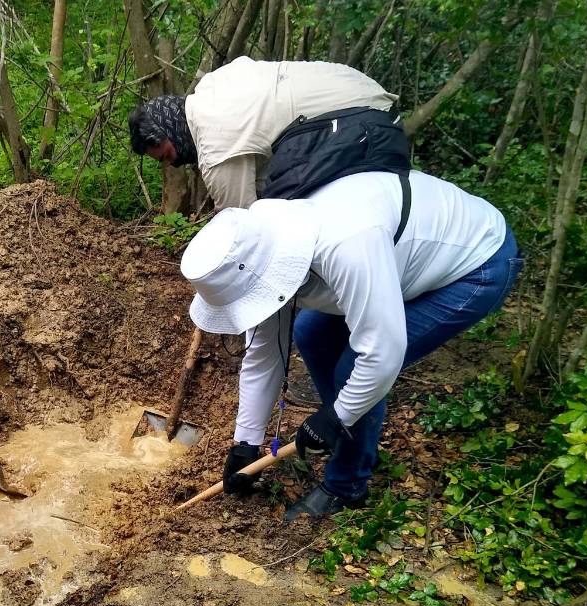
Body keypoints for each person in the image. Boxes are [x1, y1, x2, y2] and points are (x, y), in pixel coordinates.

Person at [180, 169, 523, 519]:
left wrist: (337, 416)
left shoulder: (346, 246)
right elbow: (265, 356)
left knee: (353, 369)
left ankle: (345, 487)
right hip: (396, 262)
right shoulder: (261, 253)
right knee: (311, 334)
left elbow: (381, 354)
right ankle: (353, 437)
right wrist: (246, 443)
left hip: (476, 264)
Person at [129, 57, 397, 211]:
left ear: (170, 131)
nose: (173, 162)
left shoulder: (215, 145)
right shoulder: (214, 87)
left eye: (167, 154)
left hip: (363, 127)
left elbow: (243, 224)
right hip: (361, 92)